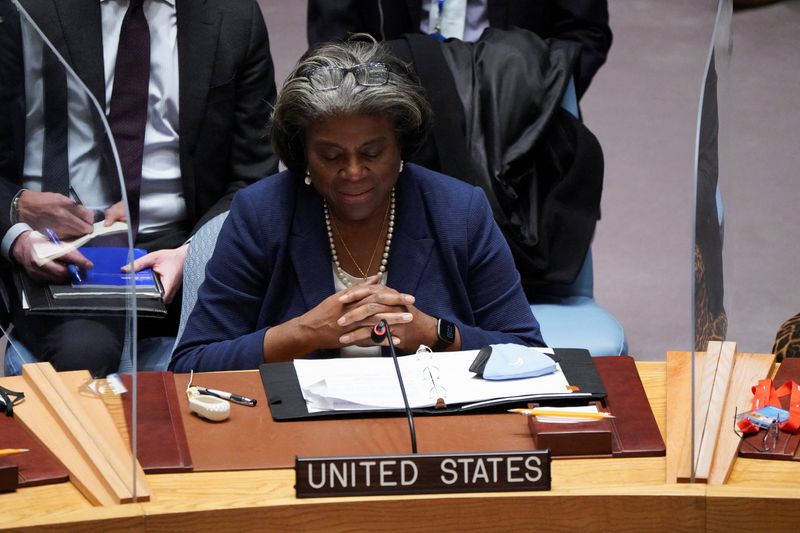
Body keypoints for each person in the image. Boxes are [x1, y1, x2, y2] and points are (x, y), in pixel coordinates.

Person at [170, 35, 545, 372]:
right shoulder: (261, 213)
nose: (353, 173)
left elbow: (530, 352)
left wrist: (436, 333)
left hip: (434, 426)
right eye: (331, 156)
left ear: (401, 144)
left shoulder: (459, 210)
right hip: (294, 433)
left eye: (372, 153)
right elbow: (193, 362)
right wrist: (304, 333)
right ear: (302, 153)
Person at [0, 0, 279, 375]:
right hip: (70, 250)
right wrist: (18, 229)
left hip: (186, 242)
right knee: (83, 361)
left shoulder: (232, 16)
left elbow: (254, 174)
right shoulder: (29, 10)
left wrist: (192, 254)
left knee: (224, 368)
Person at [306, 0, 612, 100]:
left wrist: (534, 97)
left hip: (515, 101)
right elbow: (334, 36)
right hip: (392, 98)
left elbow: (583, 32)